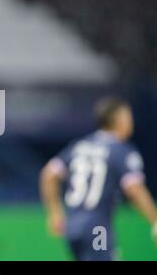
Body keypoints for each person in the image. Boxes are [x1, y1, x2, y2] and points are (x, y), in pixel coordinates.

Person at [40, 97, 157, 260]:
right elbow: (134, 188)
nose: (132, 122)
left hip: (72, 227)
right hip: (98, 228)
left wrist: (54, 212)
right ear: (119, 119)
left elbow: (49, 174)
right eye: (129, 117)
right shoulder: (122, 151)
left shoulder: (79, 146)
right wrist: (154, 220)